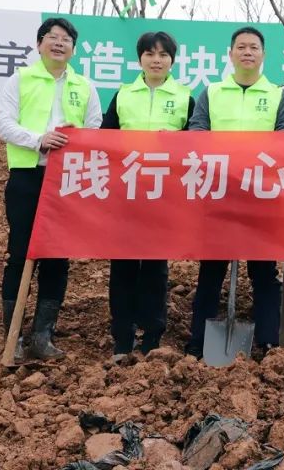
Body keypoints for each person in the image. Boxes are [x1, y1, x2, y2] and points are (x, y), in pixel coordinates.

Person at [185, 26, 284, 358]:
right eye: (241, 47)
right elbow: (197, 131)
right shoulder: (212, 92)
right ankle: (197, 343)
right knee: (211, 270)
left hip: (262, 196)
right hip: (219, 194)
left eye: (254, 47)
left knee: (263, 271)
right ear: (230, 53)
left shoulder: (277, 95)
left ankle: (268, 342)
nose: (247, 52)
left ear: (263, 55)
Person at [0, 17, 102, 361]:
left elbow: (95, 127)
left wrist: (77, 136)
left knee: (57, 256)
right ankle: (13, 336)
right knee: (20, 252)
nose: (59, 43)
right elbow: (4, 124)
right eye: (52, 37)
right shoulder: (21, 79)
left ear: (74, 49)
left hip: (66, 180)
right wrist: (38, 139)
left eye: (66, 39)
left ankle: (43, 336)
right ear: (39, 44)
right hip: (28, 175)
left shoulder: (84, 86)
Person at [101, 31, 195, 361]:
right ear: (140, 59)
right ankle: (122, 337)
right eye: (150, 54)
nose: (156, 60)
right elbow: (104, 139)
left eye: (163, 54)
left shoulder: (185, 97)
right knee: (123, 263)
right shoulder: (123, 95)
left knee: (156, 265)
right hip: (127, 192)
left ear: (172, 60)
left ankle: (152, 337)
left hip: (165, 194)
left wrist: (179, 139)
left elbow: (199, 141)